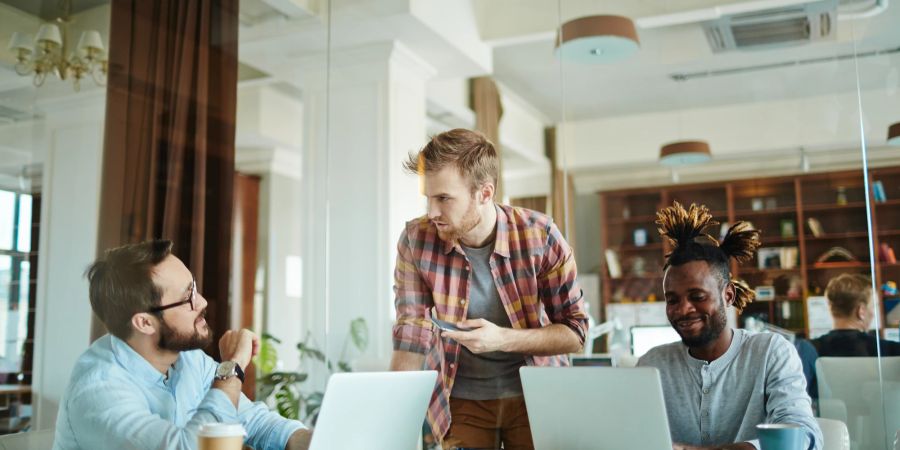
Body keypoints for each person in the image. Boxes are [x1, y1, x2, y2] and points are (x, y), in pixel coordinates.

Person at [390, 128, 588, 449]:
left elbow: (575, 334)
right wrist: (391, 416)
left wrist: (502, 339)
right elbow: (412, 333)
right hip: (462, 401)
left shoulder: (540, 235)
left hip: (534, 395)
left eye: (443, 198)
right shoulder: (416, 239)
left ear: (484, 193)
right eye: (428, 197)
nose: (431, 212)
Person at [53, 240, 311, 450]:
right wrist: (231, 368)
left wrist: (313, 442)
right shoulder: (98, 392)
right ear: (144, 323)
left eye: (194, 287)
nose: (201, 302)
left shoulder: (188, 360)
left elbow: (255, 422)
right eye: (187, 296)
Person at [637, 202, 822, 450]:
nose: (683, 309)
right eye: (673, 300)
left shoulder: (769, 352)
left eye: (697, 296)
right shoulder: (653, 364)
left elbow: (802, 437)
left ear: (728, 295)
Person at [811, 273, 900, 356]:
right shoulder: (889, 350)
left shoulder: (809, 350)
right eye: (874, 306)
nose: (874, 313)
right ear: (861, 311)